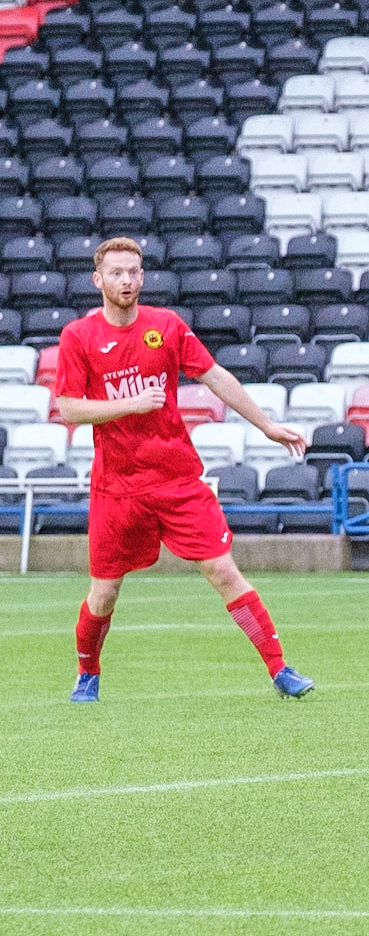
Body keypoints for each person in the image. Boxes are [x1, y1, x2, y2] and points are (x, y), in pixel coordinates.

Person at [55, 237, 314, 702]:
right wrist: (132, 403)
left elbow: (215, 376)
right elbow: (70, 409)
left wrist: (268, 425)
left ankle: (281, 670)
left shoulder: (166, 325)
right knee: (105, 592)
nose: (127, 280)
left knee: (223, 571)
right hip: (117, 488)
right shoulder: (79, 336)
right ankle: (88, 673)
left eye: (134, 271)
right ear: (98, 280)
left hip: (177, 479)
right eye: (116, 273)